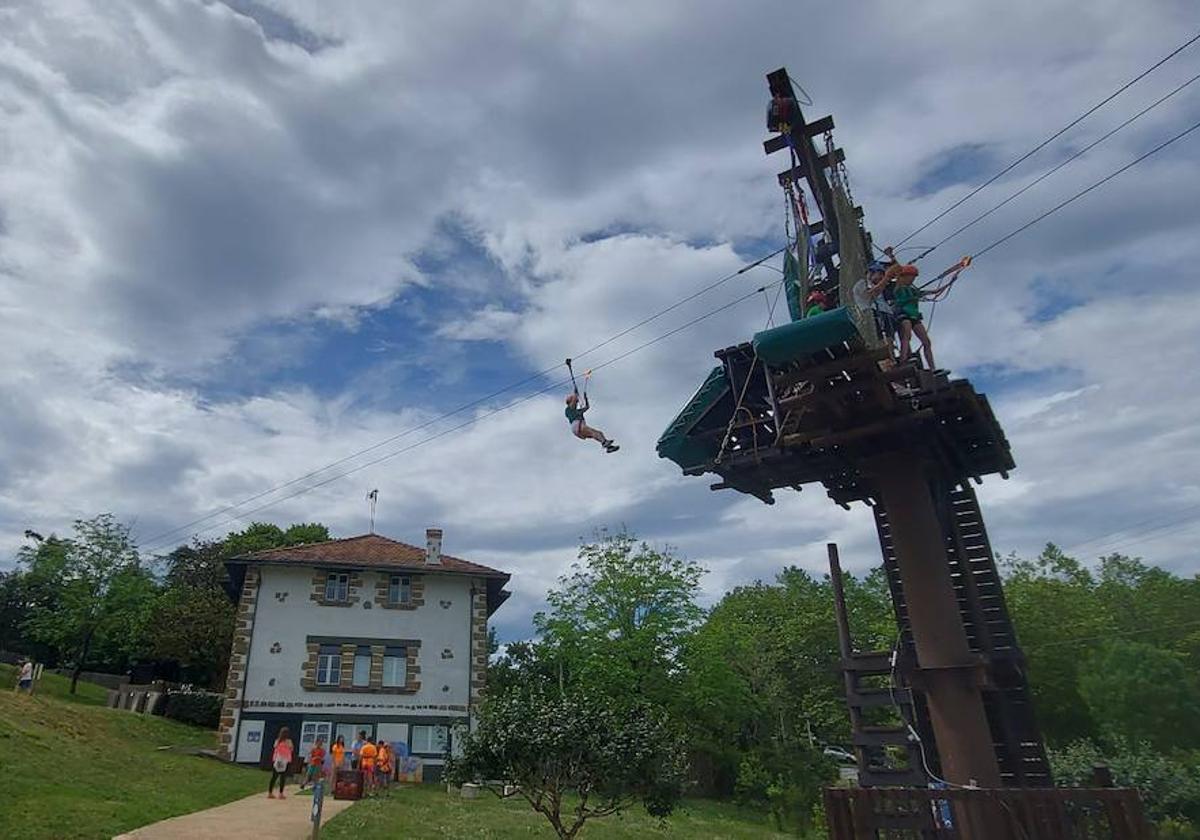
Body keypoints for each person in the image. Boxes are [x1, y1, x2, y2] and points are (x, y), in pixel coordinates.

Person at [889, 263, 935, 369]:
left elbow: (928, 292)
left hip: (914, 316)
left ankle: (933, 368)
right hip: (903, 314)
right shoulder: (898, 287)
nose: (912, 280)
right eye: (911, 277)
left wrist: (949, 282)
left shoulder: (913, 290)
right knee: (907, 335)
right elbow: (898, 273)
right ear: (904, 276)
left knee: (926, 342)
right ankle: (903, 361)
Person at [268, 727, 294, 799]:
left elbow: (275, 748)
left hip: (277, 759)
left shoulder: (277, 741)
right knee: (283, 777)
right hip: (285, 760)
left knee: (274, 777)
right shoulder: (289, 741)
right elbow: (291, 749)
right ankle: (280, 793)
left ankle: (270, 793)